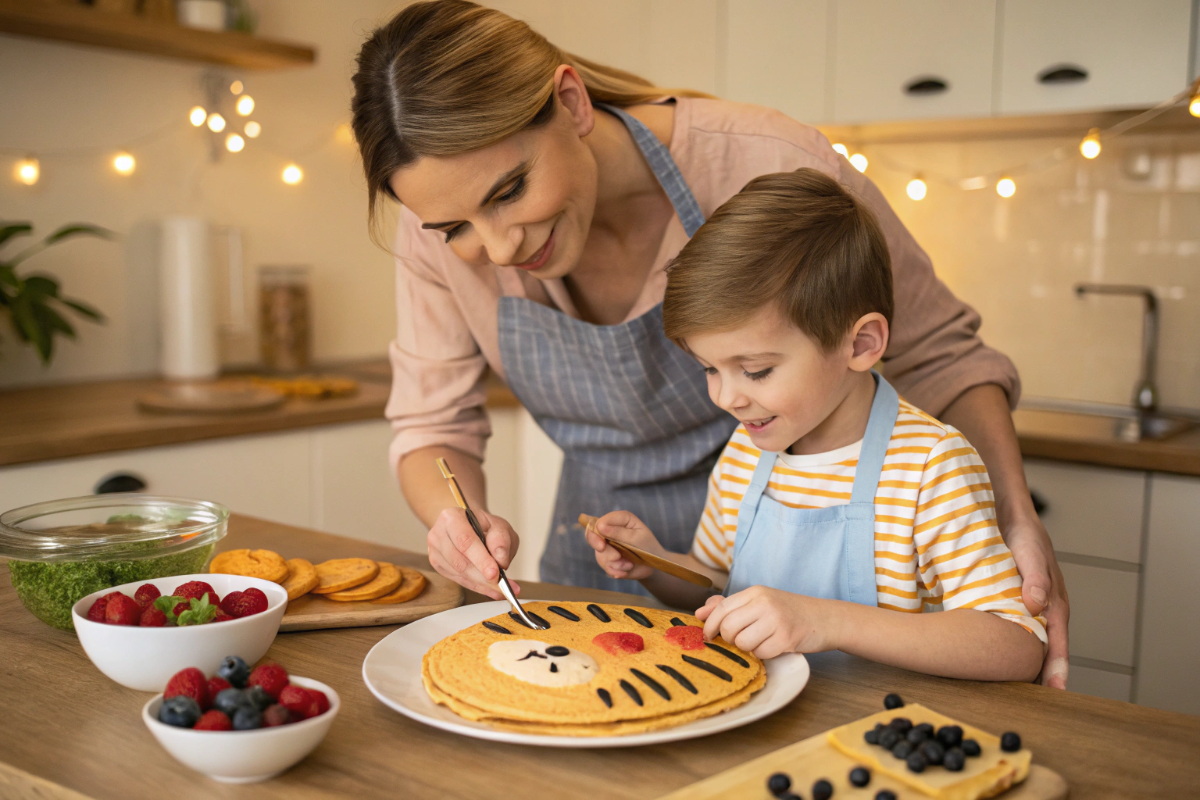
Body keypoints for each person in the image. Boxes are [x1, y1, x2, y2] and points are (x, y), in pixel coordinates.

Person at [350, 0, 1069, 686]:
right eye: (456, 229)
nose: (500, 247)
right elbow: (432, 424)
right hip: (616, 566)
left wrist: (1014, 516)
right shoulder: (433, 227)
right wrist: (458, 523)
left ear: (570, 102)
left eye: (509, 190)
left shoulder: (769, 163)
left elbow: (942, 353)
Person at [587, 169, 1045, 679]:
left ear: (861, 344)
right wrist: (659, 565)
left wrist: (823, 621)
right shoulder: (747, 451)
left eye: (756, 370)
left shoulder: (929, 466)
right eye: (709, 370)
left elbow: (1016, 644)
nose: (727, 397)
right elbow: (721, 587)